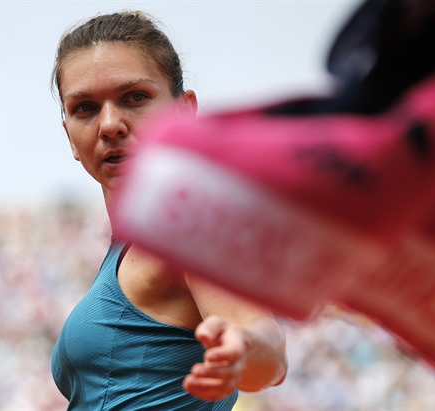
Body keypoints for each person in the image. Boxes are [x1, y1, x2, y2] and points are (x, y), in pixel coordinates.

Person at [50, 10, 288, 410]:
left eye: (134, 97)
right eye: (85, 108)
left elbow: (266, 346)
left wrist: (244, 349)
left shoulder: (186, 230)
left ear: (185, 111)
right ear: (70, 138)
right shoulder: (130, 244)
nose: (110, 124)